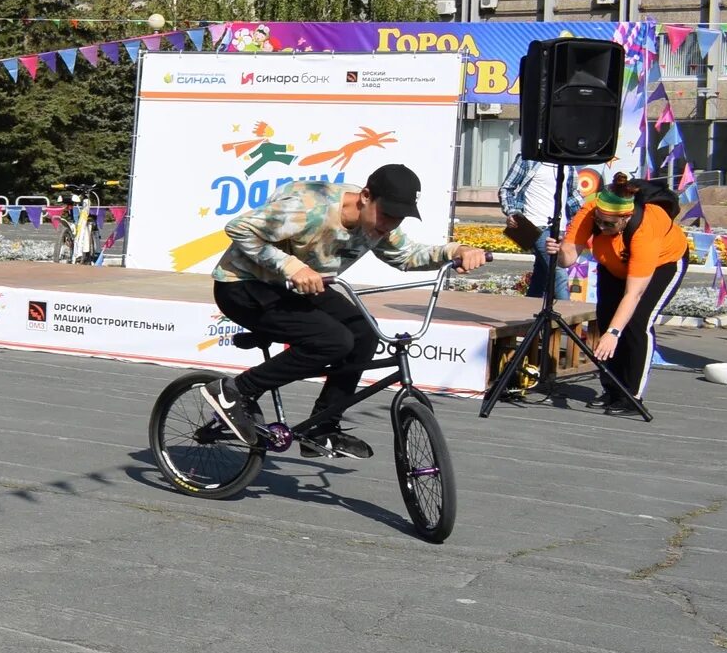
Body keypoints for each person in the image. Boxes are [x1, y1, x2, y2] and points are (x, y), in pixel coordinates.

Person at [210, 163, 489, 458]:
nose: (389, 225)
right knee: (333, 340)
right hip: (243, 285)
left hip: (298, 287)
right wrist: (292, 266)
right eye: (387, 215)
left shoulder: (379, 224)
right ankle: (235, 391)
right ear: (366, 196)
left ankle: (323, 427)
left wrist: (455, 252)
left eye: (398, 218)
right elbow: (239, 228)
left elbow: (406, 256)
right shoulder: (309, 208)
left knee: (364, 334)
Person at [549, 177, 691, 412]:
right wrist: (559, 250)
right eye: (599, 222)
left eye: (609, 225)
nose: (602, 228)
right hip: (612, 264)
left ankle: (631, 395)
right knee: (605, 317)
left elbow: (633, 294)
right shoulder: (591, 210)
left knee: (636, 322)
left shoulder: (645, 228)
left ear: (625, 218)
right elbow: (567, 260)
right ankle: (612, 388)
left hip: (662, 264)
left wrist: (615, 333)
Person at [498, 152, 575, 301]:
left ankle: (530, 312)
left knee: (541, 274)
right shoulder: (528, 158)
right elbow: (507, 188)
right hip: (533, 225)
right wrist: (512, 212)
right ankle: (567, 319)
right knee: (558, 272)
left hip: (559, 227)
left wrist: (586, 220)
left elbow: (572, 195)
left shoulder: (568, 161)